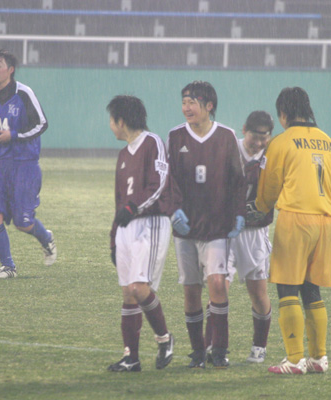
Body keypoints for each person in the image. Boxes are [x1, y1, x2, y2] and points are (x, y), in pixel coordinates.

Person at [253, 87, 331, 374]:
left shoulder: (281, 142)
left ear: (283, 113)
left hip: (296, 219)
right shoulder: (327, 140)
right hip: (326, 219)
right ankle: (319, 358)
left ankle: (294, 359)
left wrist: (260, 207)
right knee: (311, 288)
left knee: (287, 288)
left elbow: (269, 188)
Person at [106, 95, 189, 372]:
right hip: (127, 228)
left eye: (112, 120)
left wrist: (133, 207)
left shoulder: (152, 142)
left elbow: (159, 183)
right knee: (128, 294)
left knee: (139, 289)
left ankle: (164, 339)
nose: (110, 125)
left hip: (150, 223)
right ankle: (131, 358)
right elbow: (119, 202)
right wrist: (114, 238)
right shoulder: (123, 155)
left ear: (121, 121)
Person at [167, 81, 247, 369]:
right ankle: (198, 351)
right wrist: (174, 210)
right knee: (191, 290)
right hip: (185, 229)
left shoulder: (226, 136)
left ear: (209, 105)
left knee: (216, 284)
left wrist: (239, 214)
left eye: (192, 102)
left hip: (216, 227)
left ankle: (219, 350)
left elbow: (238, 181)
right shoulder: (175, 136)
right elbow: (169, 179)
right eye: (184, 102)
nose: (186, 107)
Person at [0, 49, 57, 279]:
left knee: (23, 222)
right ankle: (8, 266)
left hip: (25, 164)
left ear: (11, 69)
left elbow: (41, 124)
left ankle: (46, 238)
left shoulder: (24, 93)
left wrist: (12, 135)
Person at [204, 111, 274, 363]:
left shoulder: (273, 155)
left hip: (254, 233)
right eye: (255, 136)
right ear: (244, 130)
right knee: (218, 287)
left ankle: (259, 345)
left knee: (258, 294)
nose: (258, 142)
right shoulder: (229, 149)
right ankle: (212, 345)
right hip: (225, 231)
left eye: (264, 137)